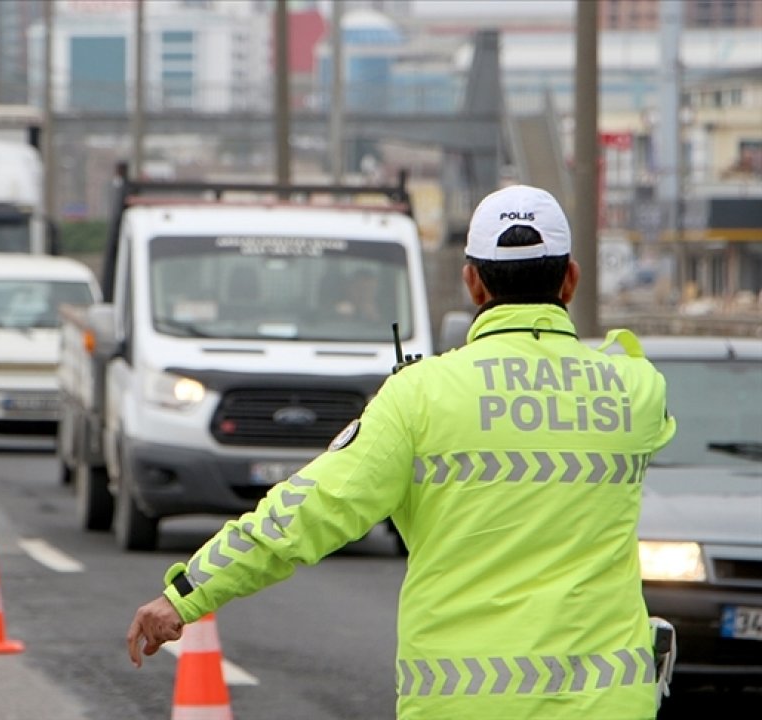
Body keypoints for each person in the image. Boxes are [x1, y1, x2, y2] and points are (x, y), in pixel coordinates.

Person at [126, 185, 677, 720]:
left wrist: (188, 593)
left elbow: (306, 511)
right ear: (571, 278)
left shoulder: (420, 394)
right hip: (608, 702)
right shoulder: (634, 388)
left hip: (463, 701)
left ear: (473, 284)